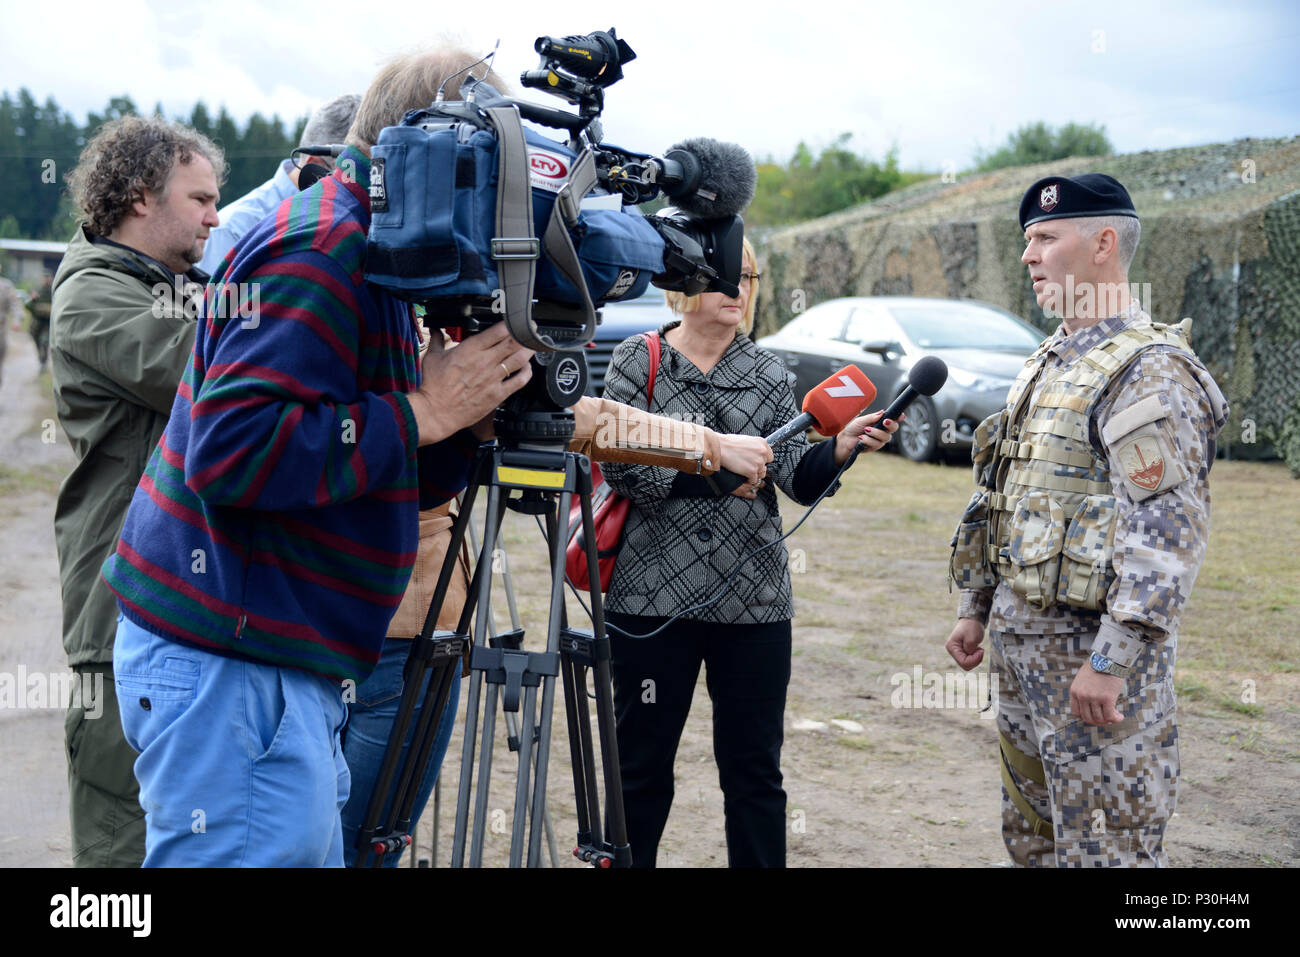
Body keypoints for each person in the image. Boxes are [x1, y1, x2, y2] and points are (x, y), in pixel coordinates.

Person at [944, 173, 1229, 867]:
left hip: (1090, 667)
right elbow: (1005, 492)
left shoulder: (1148, 371)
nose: (1028, 256)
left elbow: (1166, 530)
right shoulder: (1049, 361)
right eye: (1026, 241)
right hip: (1021, 649)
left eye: (1045, 238)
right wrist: (976, 604)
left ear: (1104, 243)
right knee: (1034, 839)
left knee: (1107, 848)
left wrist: (1112, 658)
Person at [599, 236, 898, 867]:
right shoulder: (638, 358)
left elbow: (796, 477)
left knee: (755, 776)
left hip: (753, 604)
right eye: (722, 276)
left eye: (748, 277)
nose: (737, 290)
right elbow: (622, 463)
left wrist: (839, 448)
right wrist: (715, 471)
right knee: (639, 769)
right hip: (653, 598)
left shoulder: (770, 374)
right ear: (684, 282)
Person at [49, 115, 223, 867]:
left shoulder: (176, 287)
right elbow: (201, 365)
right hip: (116, 615)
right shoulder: (92, 294)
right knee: (122, 848)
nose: (218, 215)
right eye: (203, 198)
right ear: (139, 198)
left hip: (176, 613)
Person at [198, 94, 360, 276]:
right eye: (355, 175)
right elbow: (207, 304)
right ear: (316, 167)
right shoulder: (231, 233)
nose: (362, 191)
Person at [26, 273, 54, 372]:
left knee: (45, 342)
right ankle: (41, 357)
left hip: (48, 323)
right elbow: (28, 306)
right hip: (37, 324)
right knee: (37, 341)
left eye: (48, 278)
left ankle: (43, 361)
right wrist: (33, 300)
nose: (46, 280)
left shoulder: (53, 291)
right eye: (44, 278)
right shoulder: (37, 291)